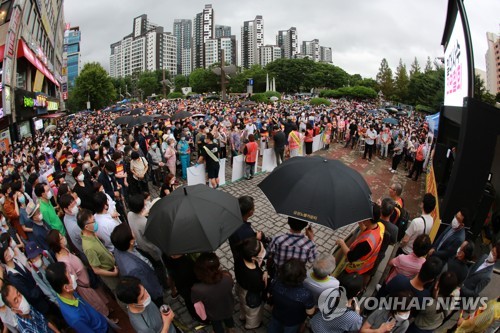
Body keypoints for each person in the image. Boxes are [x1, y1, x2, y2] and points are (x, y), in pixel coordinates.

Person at [46, 229, 112, 318]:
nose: (63, 238)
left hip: (88, 280)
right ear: (56, 244)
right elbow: (73, 281)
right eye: (61, 239)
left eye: (62, 236)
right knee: (97, 306)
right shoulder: (64, 262)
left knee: (101, 300)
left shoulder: (64, 249)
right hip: (84, 287)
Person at [45, 262, 109, 333]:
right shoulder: (76, 318)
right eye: (69, 276)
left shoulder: (65, 294)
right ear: (66, 288)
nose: (72, 276)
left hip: (101, 322)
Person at [110, 223, 164, 307]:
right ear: (131, 242)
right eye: (131, 232)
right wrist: (158, 294)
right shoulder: (134, 269)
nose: (133, 231)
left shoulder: (118, 248)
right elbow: (147, 285)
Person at [336, 205, 384, 286]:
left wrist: (342, 243)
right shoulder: (379, 226)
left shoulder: (366, 243)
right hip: (367, 265)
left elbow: (351, 257)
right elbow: (366, 231)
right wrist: (361, 223)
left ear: (369, 219)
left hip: (354, 270)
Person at [77, 209, 120, 292]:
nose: (96, 223)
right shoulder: (89, 247)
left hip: (113, 265)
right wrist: (113, 273)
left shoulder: (92, 233)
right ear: (86, 227)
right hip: (110, 273)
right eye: (93, 221)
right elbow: (96, 270)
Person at [267, 259, 315, 333]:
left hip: (276, 315)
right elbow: (310, 312)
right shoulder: (305, 294)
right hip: (292, 322)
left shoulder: (275, 281)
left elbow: (269, 295)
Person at [191, 253, 234, 333]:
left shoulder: (197, 289)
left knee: (217, 326)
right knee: (229, 319)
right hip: (228, 307)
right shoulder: (227, 277)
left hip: (213, 314)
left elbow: (195, 301)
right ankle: (231, 329)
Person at [378, 256, 443, 306]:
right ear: (432, 279)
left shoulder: (399, 279)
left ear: (421, 267)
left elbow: (386, 290)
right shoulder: (424, 297)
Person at [234, 237, 267, 330]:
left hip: (240, 287)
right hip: (250, 295)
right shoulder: (254, 275)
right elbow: (259, 287)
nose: (264, 249)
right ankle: (252, 325)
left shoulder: (240, 256)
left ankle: (242, 316)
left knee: (243, 305)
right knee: (253, 313)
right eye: (262, 250)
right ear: (253, 257)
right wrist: (264, 276)